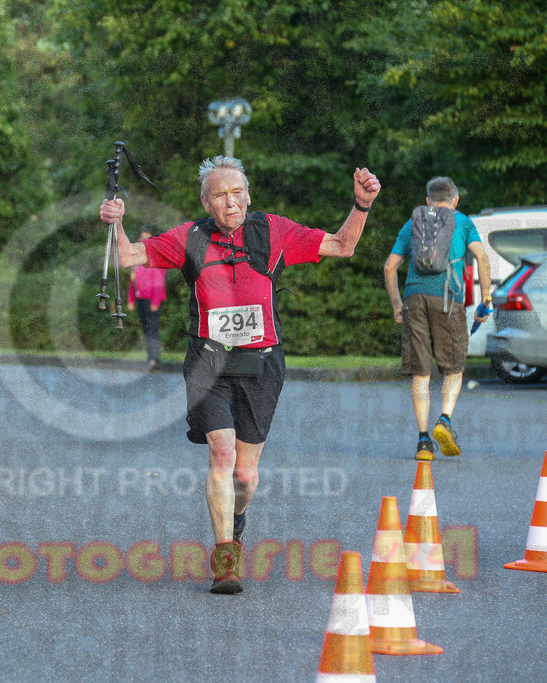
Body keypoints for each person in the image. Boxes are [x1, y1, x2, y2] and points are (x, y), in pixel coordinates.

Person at [99, 156, 381, 594]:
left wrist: (361, 206)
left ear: (248, 196)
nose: (230, 203)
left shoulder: (274, 231)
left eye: (236, 193)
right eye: (219, 195)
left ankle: (237, 519)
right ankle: (225, 555)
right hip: (208, 359)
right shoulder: (189, 236)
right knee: (222, 455)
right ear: (205, 202)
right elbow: (126, 256)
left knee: (244, 477)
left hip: (262, 362)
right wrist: (116, 222)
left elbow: (343, 245)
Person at [383, 176, 491, 462]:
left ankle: (423, 442)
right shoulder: (463, 221)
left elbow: (390, 267)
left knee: (421, 373)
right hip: (448, 299)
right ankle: (444, 419)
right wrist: (486, 298)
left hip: (414, 299)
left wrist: (397, 306)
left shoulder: (413, 222)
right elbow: (482, 258)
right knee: (454, 367)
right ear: (456, 200)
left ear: (428, 200)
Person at [127, 227, 167, 372]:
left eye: (147, 237)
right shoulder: (137, 261)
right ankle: (150, 358)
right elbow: (132, 282)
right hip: (141, 299)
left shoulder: (155, 257)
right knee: (146, 329)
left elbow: (159, 281)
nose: (143, 240)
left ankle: (154, 360)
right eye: (141, 237)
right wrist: (130, 300)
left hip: (152, 300)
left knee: (152, 329)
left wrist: (156, 301)